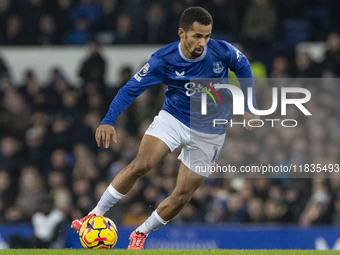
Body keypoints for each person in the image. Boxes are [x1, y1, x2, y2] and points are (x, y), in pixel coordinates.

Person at [72, 6, 258, 249]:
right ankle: (94, 215)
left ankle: (141, 232)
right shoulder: (163, 59)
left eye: (207, 36)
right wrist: (108, 120)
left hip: (211, 129)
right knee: (142, 165)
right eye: (197, 36)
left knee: (182, 196)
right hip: (174, 118)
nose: (203, 42)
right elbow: (130, 90)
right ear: (182, 32)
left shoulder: (222, 51)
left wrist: (250, 106)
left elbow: (243, 67)